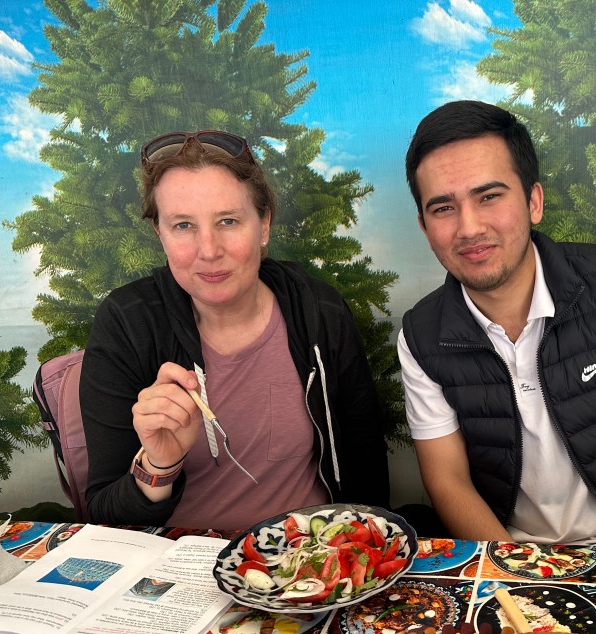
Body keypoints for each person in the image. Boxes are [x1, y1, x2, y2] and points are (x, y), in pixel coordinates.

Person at [398, 101, 596, 550]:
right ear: (423, 226)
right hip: (513, 553)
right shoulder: (421, 336)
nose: (469, 228)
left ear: (533, 201)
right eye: (443, 208)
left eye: (489, 197)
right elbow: (447, 479)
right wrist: (514, 576)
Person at [79, 129, 389, 529]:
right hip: (178, 559)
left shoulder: (318, 313)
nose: (209, 250)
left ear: (264, 225)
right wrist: (160, 464)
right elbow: (103, 513)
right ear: (160, 234)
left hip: (306, 552)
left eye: (228, 221)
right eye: (183, 226)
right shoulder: (127, 323)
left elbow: (366, 468)